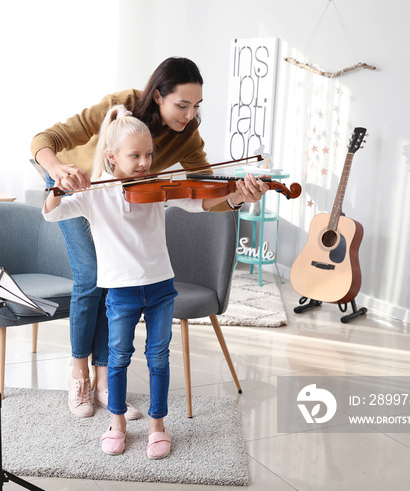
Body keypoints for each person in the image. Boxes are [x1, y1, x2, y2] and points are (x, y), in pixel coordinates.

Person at [30, 57, 266, 419]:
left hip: (130, 194)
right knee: (92, 275)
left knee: (117, 282)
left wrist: (236, 196)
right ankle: (79, 374)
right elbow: (45, 139)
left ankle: (106, 379)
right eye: (181, 105)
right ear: (157, 96)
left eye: (196, 106)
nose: (189, 115)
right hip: (77, 186)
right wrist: (58, 170)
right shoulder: (118, 105)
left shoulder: (187, 134)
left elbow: (202, 193)